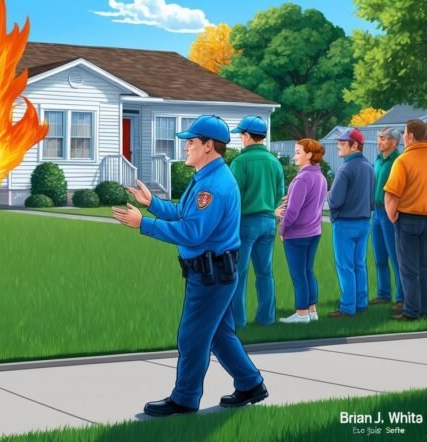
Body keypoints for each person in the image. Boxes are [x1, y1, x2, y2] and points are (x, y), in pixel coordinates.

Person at [113, 115, 267, 417]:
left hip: (211, 275)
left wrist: (144, 224)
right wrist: (153, 203)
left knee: (193, 336)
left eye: (191, 142)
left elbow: (193, 232)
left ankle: (184, 399)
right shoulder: (205, 179)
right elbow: (184, 214)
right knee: (221, 335)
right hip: (212, 272)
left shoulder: (214, 187)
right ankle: (251, 384)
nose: (185, 147)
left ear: (208, 146)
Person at [229, 115, 284, 326]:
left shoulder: (240, 162)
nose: (241, 139)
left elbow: (233, 196)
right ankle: (266, 318)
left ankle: (238, 320)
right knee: (265, 272)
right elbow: (280, 194)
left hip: (245, 223)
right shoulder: (275, 162)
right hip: (269, 222)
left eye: (242, 135)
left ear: (247, 136)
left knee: (239, 273)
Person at [276, 139, 327, 323]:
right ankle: (312, 310)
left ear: (310, 155)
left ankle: (302, 313)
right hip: (314, 231)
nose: (295, 155)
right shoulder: (320, 177)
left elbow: (293, 211)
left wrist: (283, 229)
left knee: (299, 275)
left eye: (298, 152)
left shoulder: (302, 178)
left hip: (297, 233)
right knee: (308, 271)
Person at [327, 128, 374, 318]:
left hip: (345, 223)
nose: (339, 146)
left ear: (355, 145)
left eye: (343, 143)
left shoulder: (345, 168)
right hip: (364, 222)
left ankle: (347, 307)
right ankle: (361, 302)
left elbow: (335, 200)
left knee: (345, 266)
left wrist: (329, 196)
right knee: (359, 264)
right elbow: (372, 197)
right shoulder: (369, 167)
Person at [384, 119, 427, 320]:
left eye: (404, 133)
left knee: (408, 269)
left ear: (410, 136)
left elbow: (392, 193)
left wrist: (392, 216)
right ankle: (424, 309)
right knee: (424, 267)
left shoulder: (402, 160)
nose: (403, 137)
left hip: (408, 220)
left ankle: (411, 311)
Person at [370, 127, 404, 310]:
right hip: (376, 213)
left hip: (389, 213)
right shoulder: (377, 160)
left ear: (393, 141)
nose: (379, 141)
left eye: (382, 138)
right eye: (378, 138)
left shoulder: (398, 161)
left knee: (396, 256)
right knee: (379, 257)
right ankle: (383, 294)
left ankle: (401, 297)